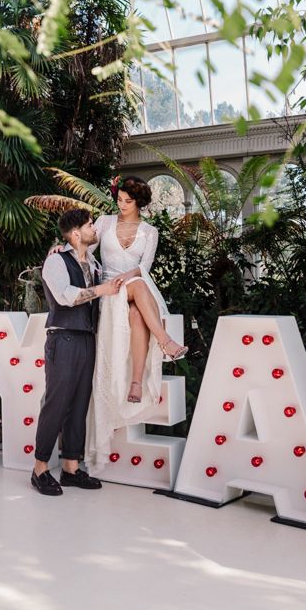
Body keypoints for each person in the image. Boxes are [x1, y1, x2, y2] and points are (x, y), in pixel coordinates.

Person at [84, 175, 188, 472]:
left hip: (134, 286)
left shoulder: (149, 231)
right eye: (119, 200)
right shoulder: (103, 222)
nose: (122, 206)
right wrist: (61, 250)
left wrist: (128, 277)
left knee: (136, 311)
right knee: (139, 291)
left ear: (139, 202)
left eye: (128, 202)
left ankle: (135, 381)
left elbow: (144, 267)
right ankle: (165, 341)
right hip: (109, 290)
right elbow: (84, 251)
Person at [31, 208, 123, 496]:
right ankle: (40, 469)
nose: (93, 228)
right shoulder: (55, 261)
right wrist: (101, 290)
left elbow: (104, 235)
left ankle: (71, 468)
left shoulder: (93, 263)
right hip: (64, 339)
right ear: (75, 234)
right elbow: (66, 296)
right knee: (56, 404)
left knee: (80, 405)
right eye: (88, 225)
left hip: (87, 339)